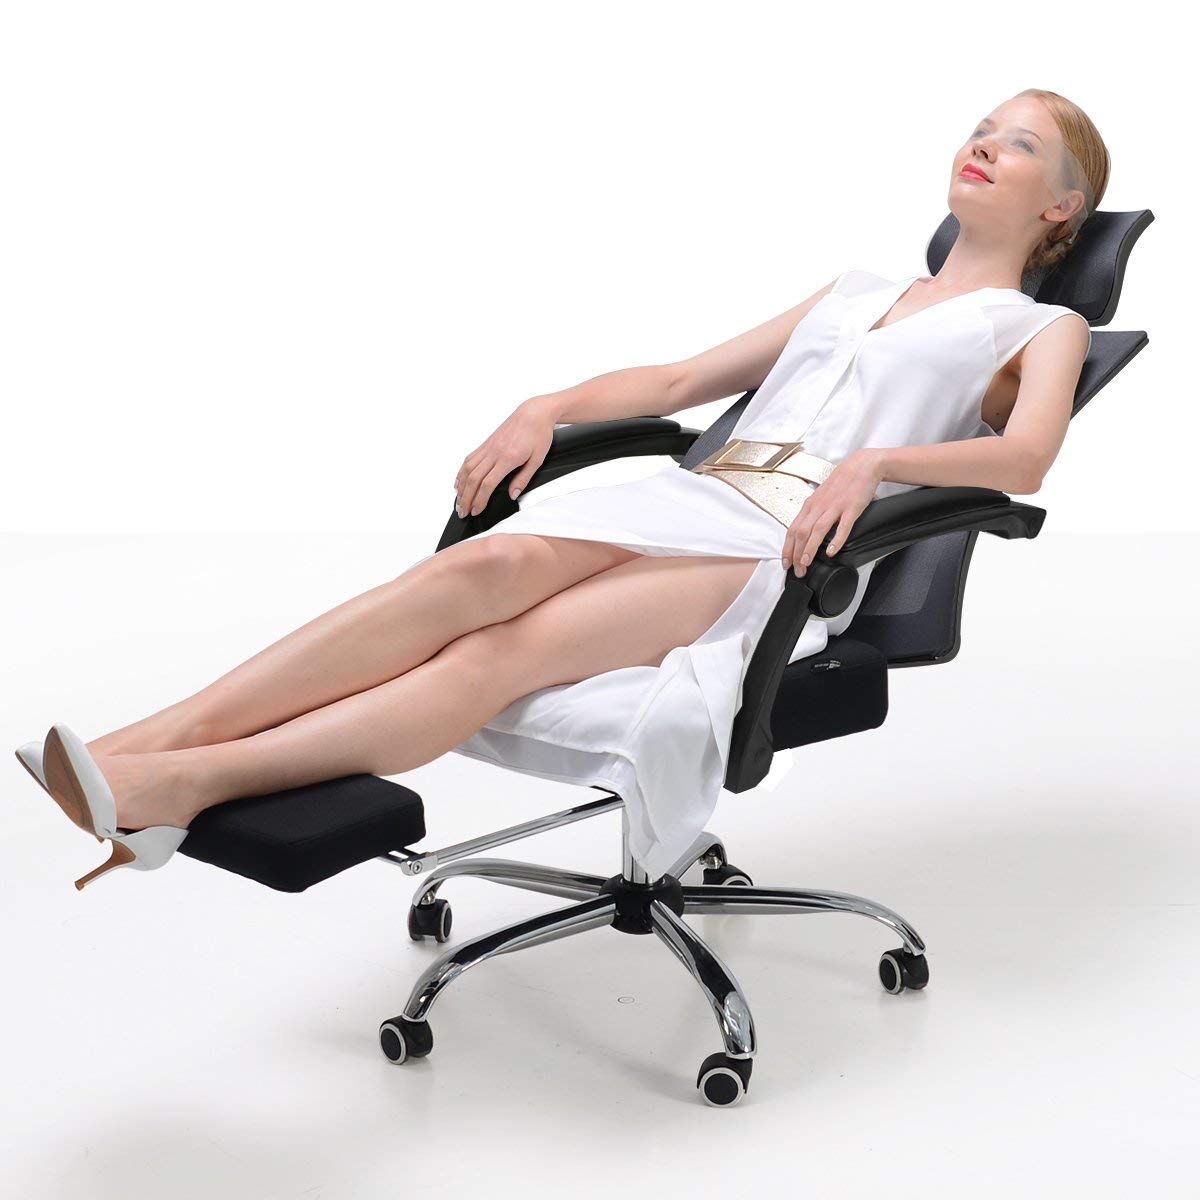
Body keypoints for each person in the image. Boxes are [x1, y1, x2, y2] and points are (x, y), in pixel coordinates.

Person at [20, 88, 1106, 889]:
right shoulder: (858, 288)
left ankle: (185, 789)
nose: (982, 146)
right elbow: (680, 382)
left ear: (1064, 205)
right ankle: (139, 746)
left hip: (783, 551)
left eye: (1018, 145)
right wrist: (549, 404)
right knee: (477, 565)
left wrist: (880, 464)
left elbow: (1025, 461)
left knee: (499, 654)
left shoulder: (1040, 326)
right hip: (696, 496)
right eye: (980, 128)